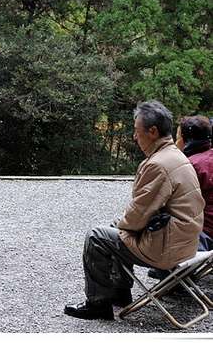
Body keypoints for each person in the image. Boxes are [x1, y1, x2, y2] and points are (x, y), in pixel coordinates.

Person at [64, 100, 204, 320]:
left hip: (166, 249)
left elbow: (137, 216)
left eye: (137, 131)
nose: (134, 137)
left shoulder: (158, 164)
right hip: (185, 243)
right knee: (116, 228)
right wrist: (123, 224)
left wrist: (123, 224)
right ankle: (120, 293)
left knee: (96, 235)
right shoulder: (177, 156)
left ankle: (98, 304)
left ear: (152, 131)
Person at [176, 116, 213, 251]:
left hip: (204, 234)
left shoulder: (190, 165)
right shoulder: (208, 157)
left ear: (185, 140)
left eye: (177, 137)